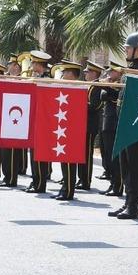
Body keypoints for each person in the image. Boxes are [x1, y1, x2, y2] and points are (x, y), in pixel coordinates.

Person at [108, 33, 138, 220]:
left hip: (136, 126)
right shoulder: (129, 70)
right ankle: (128, 201)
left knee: (135, 167)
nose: (125, 50)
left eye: (128, 47)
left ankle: (133, 205)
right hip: (124, 125)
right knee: (125, 165)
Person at [54, 60, 83, 200]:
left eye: (64, 72)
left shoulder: (79, 88)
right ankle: (65, 186)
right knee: (64, 159)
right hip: (65, 127)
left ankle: (69, 190)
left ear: (71, 74)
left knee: (70, 159)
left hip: (73, 129)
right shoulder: (66, 87)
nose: (63, 75)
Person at [25, 50, 53, 194]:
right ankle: (35, 180)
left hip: (43, 122)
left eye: (33, 62)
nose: (31, 65)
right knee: (33, 153)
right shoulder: (38, 78)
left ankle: (40, 183)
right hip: (36, 120)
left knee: (39, 153)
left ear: (38, 63)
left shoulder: (47, 79)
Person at [77, 60, 105, 191]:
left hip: (90, 124)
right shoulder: (90, 85)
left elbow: (96, 106)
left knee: (87, 154)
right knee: (81, 153)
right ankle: (81, 178)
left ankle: (85, 180)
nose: (85, 74)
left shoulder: (97, 86)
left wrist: (79, 102)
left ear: (94, 73)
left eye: (88, 72)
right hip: (83, 123)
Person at [0, 54, 25, 188]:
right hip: (7, 117)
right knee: (5, 150)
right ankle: (6, 176)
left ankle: (11, 178)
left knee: (13, 150)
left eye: (11, 65)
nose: (9, 67)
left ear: (17, 67)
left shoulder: (23, 80)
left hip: (18, 119)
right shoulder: (7, 79)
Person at [99, 61, 124, 197]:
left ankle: (118, 186)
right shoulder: (111, 85)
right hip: (107, 123)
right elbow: (103, 95)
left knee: (115, 158)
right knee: (109, 157)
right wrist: (108, 86)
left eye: (112, 71)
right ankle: (113, 183)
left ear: (119, 73)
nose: (109, 74)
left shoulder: (121, 86)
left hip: (114, 124)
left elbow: (114, 97)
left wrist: (108, 86)